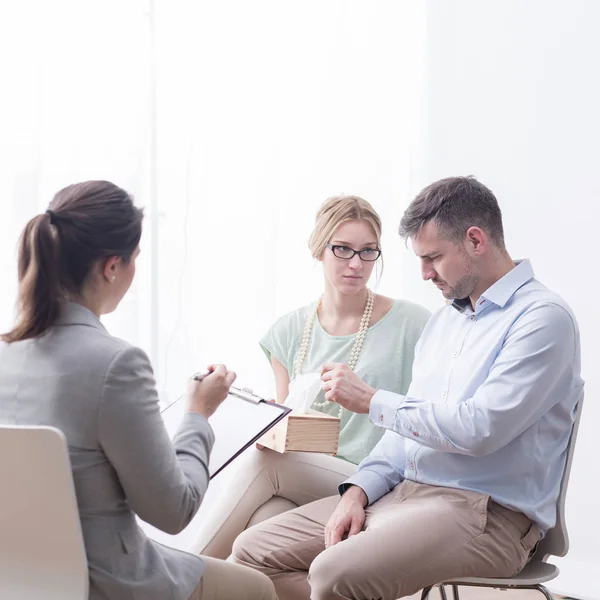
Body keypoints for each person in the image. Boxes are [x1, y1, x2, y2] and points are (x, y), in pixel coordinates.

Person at [231, 176, 584, 600]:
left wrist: (372, 401)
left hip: (485, 515)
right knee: (253, 552)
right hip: (403, 494)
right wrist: (357, 491)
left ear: (475, 240)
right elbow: (404, 436)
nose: (424, 273)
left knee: (331, 573)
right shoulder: (444, 323)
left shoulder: (542, 319)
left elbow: (481, 429)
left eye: (433, 257)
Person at [0, 181, 276, 600]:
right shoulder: (116, 363)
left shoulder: (6, 353)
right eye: (135, 259)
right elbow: (173, 511)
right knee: (256, 588)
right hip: (110, 583)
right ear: (112, 266)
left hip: (18, 580)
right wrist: (198, 415)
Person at [192, 195, 430, 559]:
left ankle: (175, 579)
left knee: (267, 465)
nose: (356, 264)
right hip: (308, 475)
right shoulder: (287, 332)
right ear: (320, 250)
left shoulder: (412, 324)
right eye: (343, 250)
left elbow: (425, 415)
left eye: (368, 251)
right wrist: (266, 422)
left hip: (375, 477)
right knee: (258, 525)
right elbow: (291, 429)